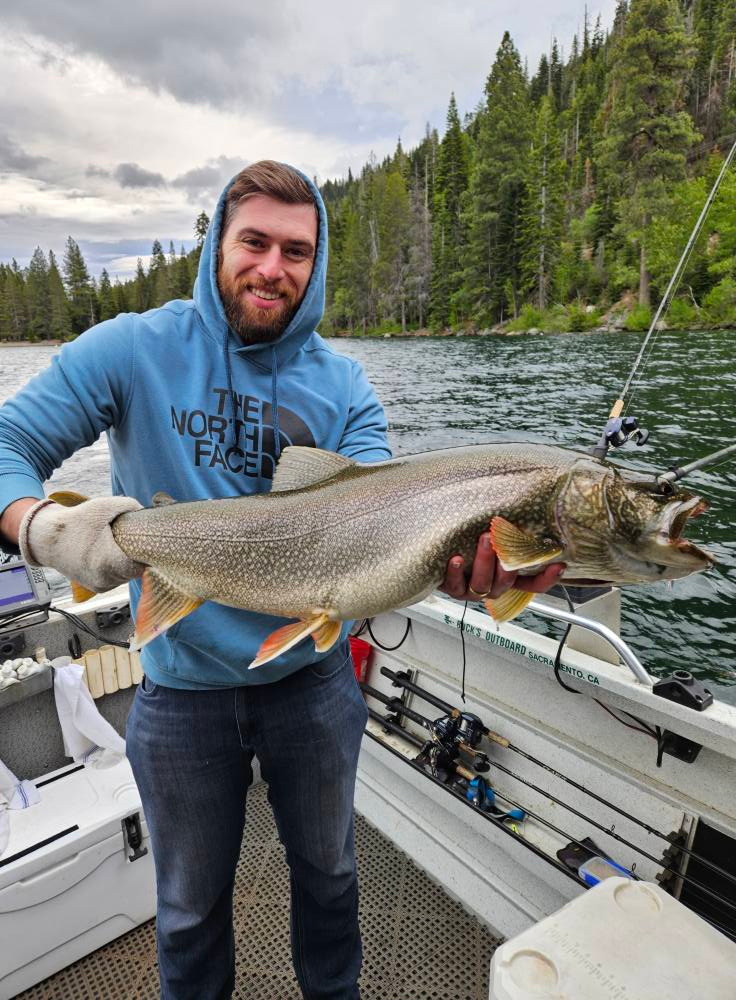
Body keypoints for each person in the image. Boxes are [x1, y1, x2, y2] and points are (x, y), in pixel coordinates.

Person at [0, 161, 563, 999]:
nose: (273, 267)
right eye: (253, 242)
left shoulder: (346, 389)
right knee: (187, 909)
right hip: (179, 688)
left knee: (331, 879)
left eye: (295, 251)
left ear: (319, 260)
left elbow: (385, 518)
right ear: (216, 245)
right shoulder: (129, 349)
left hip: (313, 683)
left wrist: (462, 569)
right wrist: (43, 528)